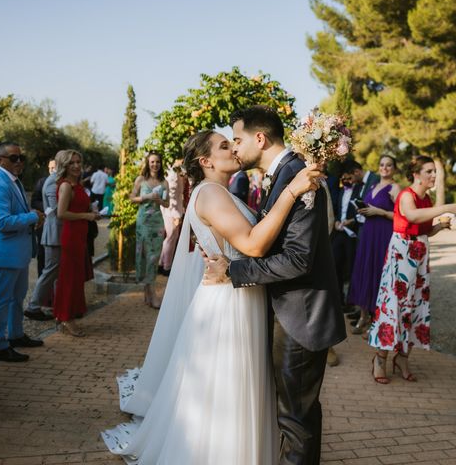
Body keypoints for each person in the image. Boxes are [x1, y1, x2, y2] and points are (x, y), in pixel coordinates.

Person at [102, 129, 321, 464]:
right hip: (229, 304)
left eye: (231, 141)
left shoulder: (221, 191)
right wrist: (291, 191)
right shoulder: (210, 195)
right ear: (205, 161)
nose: (233, 147)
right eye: (223, 145)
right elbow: (252, 245)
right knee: (227, 391)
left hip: (238, 294)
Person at [203, 105, 347, 464]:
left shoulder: (300, 176)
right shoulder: (286, 175)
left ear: (260, 138)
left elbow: (299, 259)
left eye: (237, 139)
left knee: (295, 419)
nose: (235, 148)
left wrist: (233, 273)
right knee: (298, 413)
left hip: (301, 315)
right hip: (290, 309)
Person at [368, 155, 456, 384]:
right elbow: (411, 216)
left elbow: (425, 229)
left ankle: (403, 357)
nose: (433, 175)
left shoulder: (426, 199)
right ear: (416, 174)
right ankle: (380, 359)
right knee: (394, 304)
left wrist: (440, 225)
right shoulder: (406, 196)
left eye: (434, 171)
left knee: (415, 305)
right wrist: (448, 207)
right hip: (401, 254)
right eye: (429, 171)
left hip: (420, 254)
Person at [0, 142, 45, 363]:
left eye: (21, 157)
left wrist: (31, 215)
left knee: (17, 297)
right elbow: (1, 222)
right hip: (5, 253)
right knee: (0, 301)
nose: (19, 161)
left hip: (16, 253)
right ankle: (0, 347)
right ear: (1, 160)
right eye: (13, 158)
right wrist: (32, 217)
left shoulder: (13, 181)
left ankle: (16, 335)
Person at [347, 155, 400, 335]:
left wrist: (379, 211)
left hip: (383, 234)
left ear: (394, 168)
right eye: (382, 164)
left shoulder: (395, 188)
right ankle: (363, 316)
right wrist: (363, 209)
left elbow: (401, 216)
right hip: (368, 232)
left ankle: (377, 320)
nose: (384, 168)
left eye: (389, 165)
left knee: (378, 272)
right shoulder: (372, 185)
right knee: (364, 270)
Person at [54, 150, 101, 337]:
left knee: (76, 278)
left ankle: (66, 314)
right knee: (69, 279)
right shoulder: (66, 186)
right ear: (65, 165)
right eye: (72, 162)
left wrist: (92, 212)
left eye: (78, 162)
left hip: (81, 235)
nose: (76, 165)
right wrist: (86, 215)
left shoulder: (78, 184)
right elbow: (61, 213)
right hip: (71, 236)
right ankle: (65, 317)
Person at [25, 153, 63, 322]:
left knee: (54, 271)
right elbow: (57, 210)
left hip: (57, 232)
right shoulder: (52, 181)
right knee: (49, 271)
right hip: (54, 232)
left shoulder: (58, 180)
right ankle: (33, 306)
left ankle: (57, 305)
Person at [130, 152, 169, 308]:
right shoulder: (141, 180)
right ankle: (150, 293)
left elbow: (167, 204)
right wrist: (146, 197)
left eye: (158, 162)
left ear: (160, 163)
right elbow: (132, 198)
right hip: (143, 223)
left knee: (155, 257)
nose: (155, 164)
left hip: (157, 222)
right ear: (148, 163)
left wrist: (159, 200)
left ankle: (150, 293)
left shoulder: (164, 182)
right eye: (152, 162)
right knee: (146, 256)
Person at [331, 160, 366, 311]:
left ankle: (351, 302)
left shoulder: (360, 190)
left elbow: (362, 212)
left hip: (352, 234)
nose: (346, 181)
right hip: (339, 232)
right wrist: (336, 222)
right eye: (343, 179)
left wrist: (350, 223)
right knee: (335, 264)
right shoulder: (340, 192)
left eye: (348, 178)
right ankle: (339, 299)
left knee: (352, 267)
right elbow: (336, 210)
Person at [158, 158, 185, 276]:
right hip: (172, 210)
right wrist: (176, 215)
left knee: (171, 237)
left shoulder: (174, 170)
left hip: (171, 209)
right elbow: (172, 195)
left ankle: (161, 263)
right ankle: (166, 266)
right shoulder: (173, 172)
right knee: (171, 237)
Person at [31, 158, 56, 276]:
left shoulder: (65, 182)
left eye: (54, 167)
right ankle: (41, 278)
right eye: (50, 168)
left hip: (58, 224)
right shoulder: (42, 182)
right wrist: (47, 207)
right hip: (44, 222)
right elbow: (34, 201)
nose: (51, 170)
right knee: (42, 253)